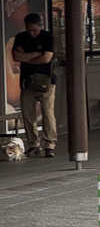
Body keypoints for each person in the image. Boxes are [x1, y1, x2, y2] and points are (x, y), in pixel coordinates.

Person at [12, 12, 57, 156]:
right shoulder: (20, 37)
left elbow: (47, 58)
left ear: (40, 26)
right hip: (27, 80)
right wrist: (36, 54)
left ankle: (49, 143)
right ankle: (33, 144)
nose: (31, 33)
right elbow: (16, 56)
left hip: (46, 80)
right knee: (27, 113)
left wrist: (27, 57)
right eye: (29, 30)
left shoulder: (47, 37)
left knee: (47, 112)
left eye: (35, 30)